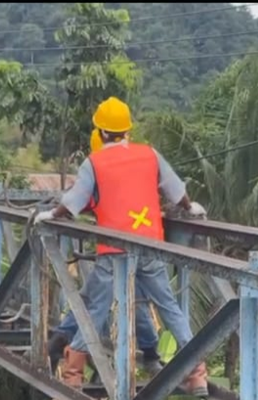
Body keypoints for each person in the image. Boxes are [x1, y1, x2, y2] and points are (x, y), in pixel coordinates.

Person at [33, 97, 209, 397]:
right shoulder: (149, 155)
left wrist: (51, 214)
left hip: (114, 252)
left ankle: (73, 376)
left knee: (96, 311)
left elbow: (74, 203)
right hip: (150, 247)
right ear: (128, 130)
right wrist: (190, 207)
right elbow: (175, 189)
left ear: (101, 132)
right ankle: (197, 376)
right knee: (170, 308)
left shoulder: (95, 162)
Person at [48, 127, 164, 378]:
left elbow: (83, 202)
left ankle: (62, 343)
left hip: (118, 249)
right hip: (134, 247)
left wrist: (60, 209)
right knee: (124, 299)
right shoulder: (130, 165)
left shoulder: (104, 168)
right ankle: (150, 353)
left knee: (98, 298)